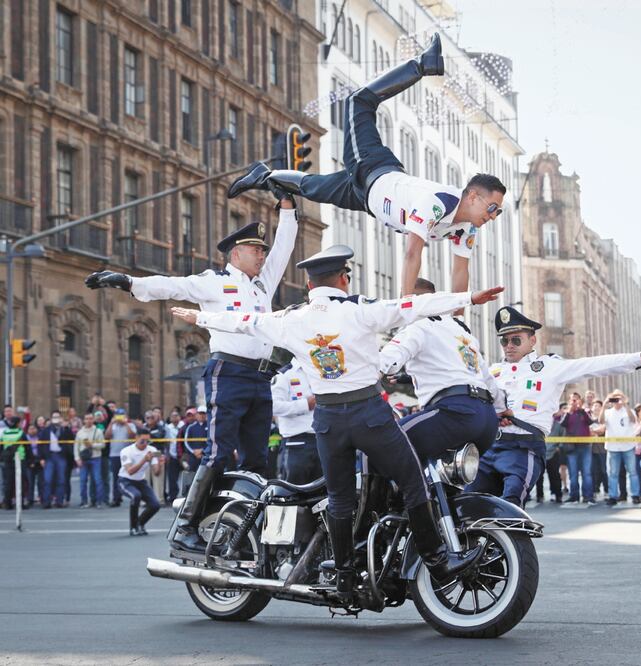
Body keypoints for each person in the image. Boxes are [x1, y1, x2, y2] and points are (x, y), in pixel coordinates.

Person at [172, 244, 504, 593]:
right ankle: (437, 560)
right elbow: (411, 306)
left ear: (309, 285)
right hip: (369, 415)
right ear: (344, 279)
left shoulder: (292, 319)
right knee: (411, 481)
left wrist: (201, 318)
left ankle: (344, 575)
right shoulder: (359, 309)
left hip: (328, 421)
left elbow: (244, 322)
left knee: (340, 498)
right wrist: (469, 298)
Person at [86, 197, 299, 551]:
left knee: (257, 460)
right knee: (218, 452)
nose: (263, 255)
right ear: (235, 254)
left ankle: (245, 529)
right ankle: (185, 527)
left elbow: (285, 246)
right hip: (228, 373)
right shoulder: (214, 282)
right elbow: (172, 285)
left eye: (263, 250)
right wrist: (126, 281)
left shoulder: (263, 284)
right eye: (255, 250)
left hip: (261, 379)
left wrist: (288, 208)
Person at [230, 34, 505, 297]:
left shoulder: (466, 228)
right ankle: (423, 64)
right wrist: (405, 304)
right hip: (372, 168)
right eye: (492, 208)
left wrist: (458, 318)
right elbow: (412, 253)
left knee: (310, 187)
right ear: (472, 196)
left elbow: (460, 272)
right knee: (358, 101)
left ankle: (262, 176)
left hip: (366, 199)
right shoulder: (439, 202)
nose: (492, 216)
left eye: (498, 212)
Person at [465, 306, 641, 507]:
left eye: (515, 339)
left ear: (532, 340)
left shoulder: (549, 367)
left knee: (510, 505)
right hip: (488, 447)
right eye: (504, 340)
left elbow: (596, 365)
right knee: (466, 504)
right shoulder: (493, 371)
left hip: (523, 449)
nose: (509, 345)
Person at [379, 277, 504, 465]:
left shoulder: (417, 326)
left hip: (454, 413)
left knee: (381, 445)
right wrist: (502, 409)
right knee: (434, 473)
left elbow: (387, 361)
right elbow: (487, 379)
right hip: (487, 421)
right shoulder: (462, 332)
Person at [271, 360, 322, 485]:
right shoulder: (284, 374)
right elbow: (273, 406)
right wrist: (305, 405)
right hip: (296, 443)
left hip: (323, 440)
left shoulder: (321, 370)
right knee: (291, 490)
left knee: (322, 491)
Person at [598, 390, 640, 506]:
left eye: (619, 398)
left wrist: (625, 404)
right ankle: (613, 496)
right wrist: (604, 405)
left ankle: (635, 495)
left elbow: (633, 420)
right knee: (613, 473)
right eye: (615, 398)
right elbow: (600, 421)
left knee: (632, 472)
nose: (617, 400)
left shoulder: (629, 410)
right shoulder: (608, 412)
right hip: (613, 447)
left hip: (628, 446)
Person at [118, 428, 161, 536]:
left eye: (148, 441)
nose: (145, 444)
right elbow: (130, 471)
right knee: (136, 496)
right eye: (142, 441)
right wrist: (144, 460)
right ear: (136, 438)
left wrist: (160, 463)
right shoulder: (126, 451)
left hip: (141, 481)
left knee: (155, 505)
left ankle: (140, 523)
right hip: (125, 481)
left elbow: (156, 473)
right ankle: (133, 527)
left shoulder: (152, 450)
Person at [559, 393, 595, 504]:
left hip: (585, 447)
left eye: (576, 400)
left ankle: (588, 496)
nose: (574, 402)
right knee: (573, 474)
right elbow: (562, 424)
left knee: (586, 473)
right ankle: (574, 496)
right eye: (572, 400)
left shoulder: (585, 411)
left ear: (580, 400)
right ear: (569, 401)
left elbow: (590, 421)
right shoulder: (567, 413)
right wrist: (569, 412)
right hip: (572, 448)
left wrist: (582, 410)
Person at [39, 411, 72, 508]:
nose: (56, 419)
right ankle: (46, 502)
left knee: (61, 480)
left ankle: (59, 501)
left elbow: (71, 438)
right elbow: (40, 445)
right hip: (49, 456)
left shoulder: (64, 429)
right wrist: (41, 458)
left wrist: (66, 427)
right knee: (47, 480)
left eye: (58, 417)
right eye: (54, 417)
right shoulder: (46, 430)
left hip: (61, 456)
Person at [73, 413, 106, 508]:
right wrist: (77, 459)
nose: (89, 421)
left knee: (97, 480)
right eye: (87, 419)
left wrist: (92, 445)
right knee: (83, 481)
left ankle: (99, 501)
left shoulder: (98, 431)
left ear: (93, 420)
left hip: (96, 458)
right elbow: (76, 446)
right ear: (84, 420)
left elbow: (103, 445)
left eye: (90, 419)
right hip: (83, 459)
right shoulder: (80, 432)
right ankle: (84, 501)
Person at [107, 409, 137, 507]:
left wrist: (126, 423)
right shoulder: (113, 426)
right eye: (118, 415)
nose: (119, 418)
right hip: (114, 454)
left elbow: (132, 436)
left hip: (128, 455)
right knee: (116, 478)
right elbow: (107, 436)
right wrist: (111, 423)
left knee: (131, 476)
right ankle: (116, 498)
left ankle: (134, 496)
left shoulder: (130, 425)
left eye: (121, 415)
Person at [1, 416, 26, 510]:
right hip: (20, 458)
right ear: (18, 423)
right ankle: (20, 503)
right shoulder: (20, 433)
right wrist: (30, 459)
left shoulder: (4, 433)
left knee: (8, 482)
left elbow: (1, 446)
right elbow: (27, 447)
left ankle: (7, 503)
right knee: (20, 482)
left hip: (7, 459)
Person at [23, 424, 44, 508]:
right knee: (30, 482)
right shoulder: (25, 438)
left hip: (39, 460)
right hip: (29, 461)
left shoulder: (40, 437)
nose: (32, 430)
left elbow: (43, 449)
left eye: (34, 428)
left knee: (41, 482)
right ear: (27, 430)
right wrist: (30, 461)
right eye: (30, 429)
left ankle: (42, 498)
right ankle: (30, 499)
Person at [164, 410, 183, 503]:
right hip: (172, 455)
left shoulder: (183, 426)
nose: (175, 418)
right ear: (170, 418)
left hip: (183, 455)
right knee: (172, 478)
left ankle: (186, 494)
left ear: (179, 417)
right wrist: (167, 454)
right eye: (173, 416)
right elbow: (166, 442)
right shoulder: (168, 428)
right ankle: (173, 496)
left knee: (186, 476)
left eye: (176, 416)